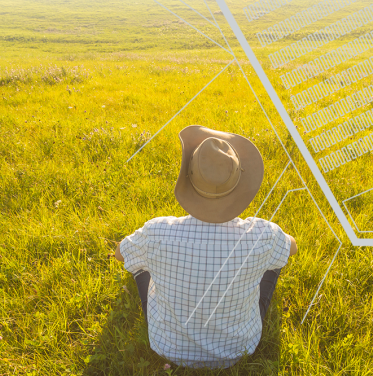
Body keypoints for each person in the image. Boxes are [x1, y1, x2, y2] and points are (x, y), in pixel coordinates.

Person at [113, 125, 298, 369]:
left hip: (168, 347)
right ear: (239, 179)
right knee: (274, 261)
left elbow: (119, 254)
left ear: (188, 177)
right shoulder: (263, 234)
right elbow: (292, 247)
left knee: (140, 266)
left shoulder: (156, 232)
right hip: (238, 348)